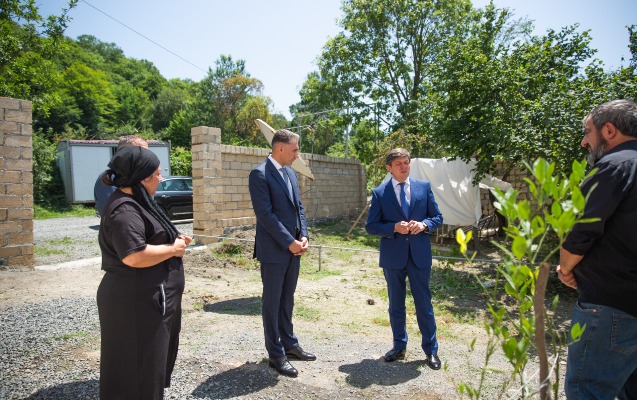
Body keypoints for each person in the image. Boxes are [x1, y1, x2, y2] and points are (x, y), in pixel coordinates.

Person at [97, 146, 192, 399]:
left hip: (148, 300)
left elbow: (149, 237)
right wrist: (172, 249)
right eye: (158, 174)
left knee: (148, 367)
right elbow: (134, 255)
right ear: (142, 179)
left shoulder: (138, 201)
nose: (161, 178)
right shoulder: (125, 211)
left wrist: (173, 239)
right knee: (138, 369)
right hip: (136, 303)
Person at [557, 99, 637, 399]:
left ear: (609, 130)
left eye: (587, 131)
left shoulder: (614, 166)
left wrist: (566, 269)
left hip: (611, 307)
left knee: (588, 391)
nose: (584, 142)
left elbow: (582, 230)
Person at [366, 148, 444, 370]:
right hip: (393, 257)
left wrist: (424, 224)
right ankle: (399, 346)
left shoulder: (423, 187)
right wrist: (393, 227)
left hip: (419, 256)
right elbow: (371, 226)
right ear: (389, 168)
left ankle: (431, 351)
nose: (404, 166)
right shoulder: (380, 193)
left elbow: (437, 217)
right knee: (396, 304)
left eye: (406, 162)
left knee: (424, 304)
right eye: (398, 163)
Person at [248, 129, 314, 377]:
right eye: (295, 150)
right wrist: (289, 242)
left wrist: (304, 235)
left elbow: (299, 208)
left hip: (294, 249)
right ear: (281, 148)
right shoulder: (259, 174)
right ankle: (275, 354)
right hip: (274, 251)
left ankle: (289, 344)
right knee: (272, 302)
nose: (297, 154)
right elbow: (265, 215)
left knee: (287, 299)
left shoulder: (290, 173)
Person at [94, 135, 148, 216]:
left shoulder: (135, 176)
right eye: (140, 152)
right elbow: (118, 214)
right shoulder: (110, 179)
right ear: (124, 152)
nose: (146, 157)